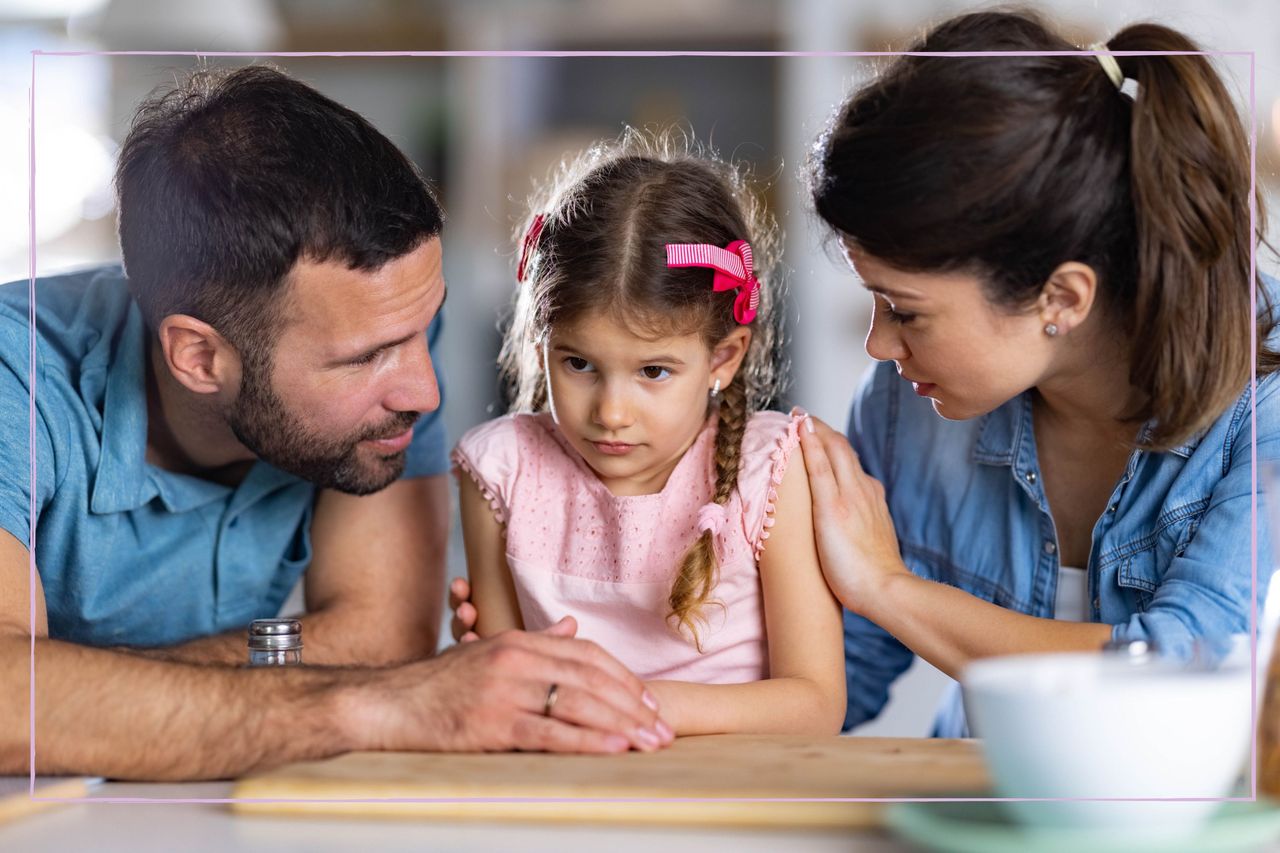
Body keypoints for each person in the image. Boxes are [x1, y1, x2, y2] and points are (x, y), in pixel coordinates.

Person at [1, 65, 667, 781]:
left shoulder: (382, 311)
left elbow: (385, 637)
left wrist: (75, 688)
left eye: (423, 327)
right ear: (198, 356)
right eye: (368, 358)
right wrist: (379, 706)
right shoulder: (18, 376)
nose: (426, 391)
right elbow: (11, 708)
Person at [796, 10, 1278, 734]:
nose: (879, 347)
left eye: (906, 311)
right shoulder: (907, 408)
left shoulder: (1261, 405)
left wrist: (890, 588)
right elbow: (830, 683)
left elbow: (1183, 675)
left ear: (1062, 296)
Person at [451, 133, 846, 736]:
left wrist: (624, 702)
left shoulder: (771, 473)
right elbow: (504, 695)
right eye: (578, 364)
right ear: (541, 344)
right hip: (571, 794)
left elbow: (815, 706)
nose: (611, 412)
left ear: (724, 358)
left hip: (735, 794)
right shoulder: (499, 469)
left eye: (653, 371)